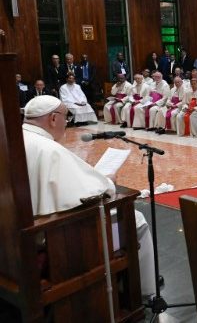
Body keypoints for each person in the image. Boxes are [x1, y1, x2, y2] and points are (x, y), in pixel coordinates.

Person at [22, 95, 156, 298]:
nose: (67, 123)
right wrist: (107, 181)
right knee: (138, 221)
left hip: (20, 234)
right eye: (66, 118)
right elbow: (95, 194)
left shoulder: (15, 139)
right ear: (53, 118)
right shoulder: (50, 150)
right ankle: (145, 290)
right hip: (51, 237)